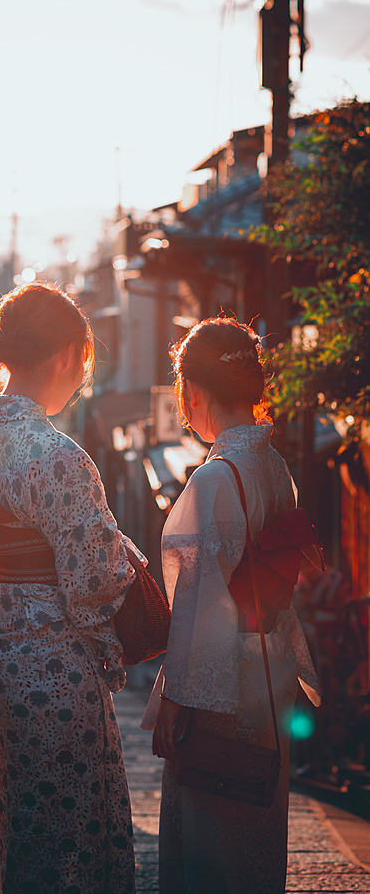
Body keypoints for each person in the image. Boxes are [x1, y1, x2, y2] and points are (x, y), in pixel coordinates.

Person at [0, 281, 140, 894]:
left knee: (19, 820)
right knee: (72, 836)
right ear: (67, 354)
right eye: (84, 363)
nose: (83, 377)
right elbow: (92, 579)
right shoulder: (58, 456)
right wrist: (133, 565)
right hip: (55, 664)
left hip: (0, 654)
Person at [142, 317, 321, 894]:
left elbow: (200, 603)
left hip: (220, 681)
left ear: (192, 393)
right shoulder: (275, 467)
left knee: (209, 837)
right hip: (269, 671)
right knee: (256, 828)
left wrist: (175, 697)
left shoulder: (217, 477)